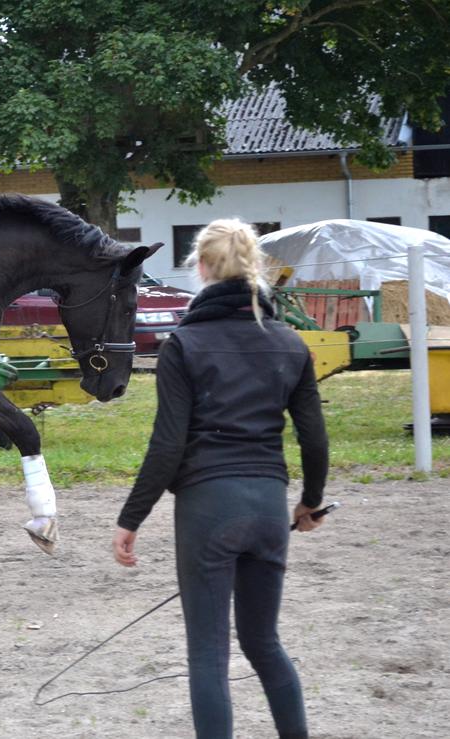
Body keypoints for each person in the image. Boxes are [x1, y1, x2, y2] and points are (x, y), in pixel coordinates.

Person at [112, 218, 329, 739]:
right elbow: (315, 440)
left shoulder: (182, 345)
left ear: (202, 269)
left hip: (208, 509)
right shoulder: (291, 343)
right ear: (254, 266)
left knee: (208, 655)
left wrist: (130, 519)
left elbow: (167, 445)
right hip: (268, 508)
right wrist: (310, 503)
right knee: (264, 644)